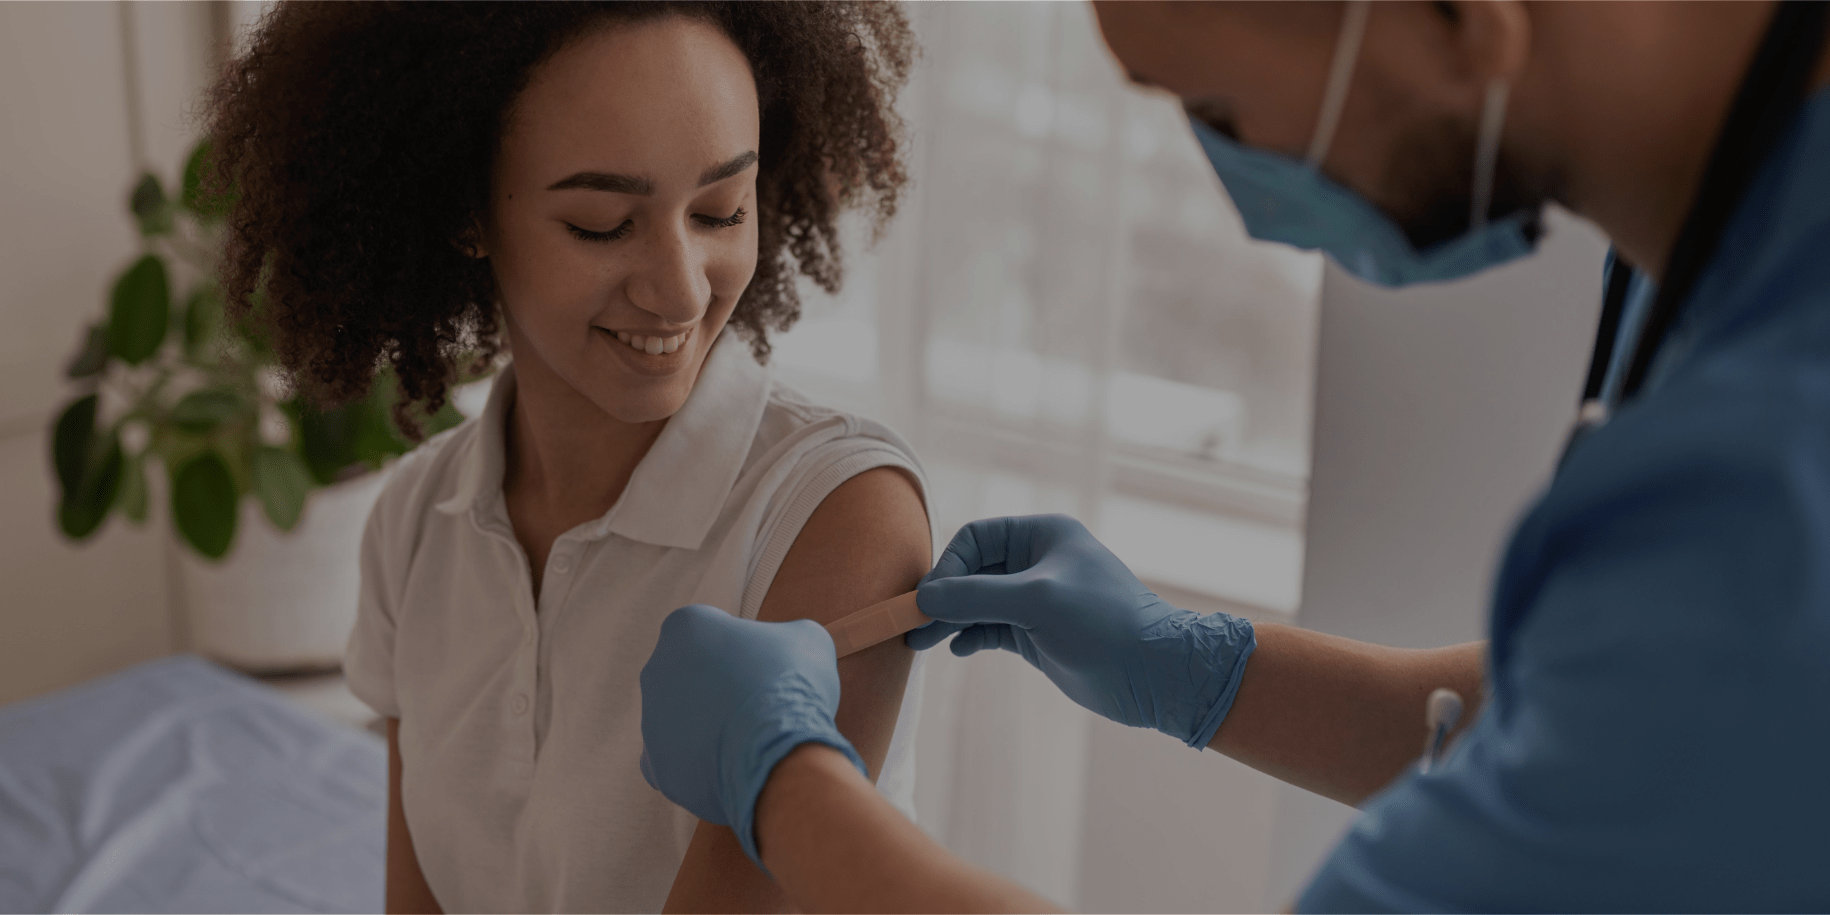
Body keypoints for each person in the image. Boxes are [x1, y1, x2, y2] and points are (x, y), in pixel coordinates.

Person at [636, 1, 1830, 911]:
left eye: (1218, 113)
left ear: (1465, 20)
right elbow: (1615, 737)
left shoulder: (1776, 466)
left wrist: (787, 789)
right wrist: (1208, 669)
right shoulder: (1721, 238)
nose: (1243, 183)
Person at [204, 3, 930, 912]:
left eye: (720, 210)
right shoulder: (416, 521)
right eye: (600, 223)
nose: (678, 287)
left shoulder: (839, 515)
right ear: (468, 211)